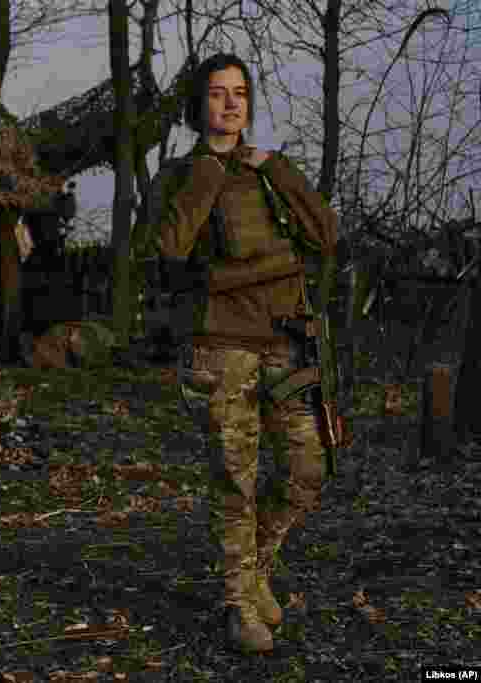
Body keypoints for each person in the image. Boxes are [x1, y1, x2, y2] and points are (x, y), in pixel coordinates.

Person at [149, 53, 339, 653]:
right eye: (216, 93)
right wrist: (209, 169)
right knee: (236, 480)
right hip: (221, 347)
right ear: (197, 104)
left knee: (311, 465)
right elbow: (169, 253)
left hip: (286, 340)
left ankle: (255, 568)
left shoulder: (268, 171)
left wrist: (276, 169)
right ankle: (238, 603)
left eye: (240, 93)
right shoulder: (182, 174)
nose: (231, 103)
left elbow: (327, 236)